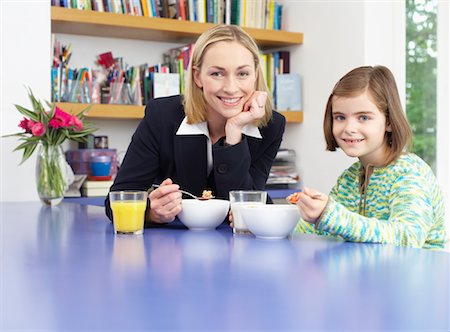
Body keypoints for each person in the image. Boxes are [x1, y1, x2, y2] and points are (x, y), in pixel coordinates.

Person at [105, 24, 286, 224]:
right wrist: (151, 213)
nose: (231, 88)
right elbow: (117, 202)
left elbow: (248, 206)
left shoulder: (271, 126)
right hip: (171, 248)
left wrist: (234, 132)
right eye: (217, 73)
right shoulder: (162, 116)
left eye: (242, 73)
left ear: (255, 75)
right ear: (197, 76)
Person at [293, 65, 447, 249]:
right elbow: (311, 233)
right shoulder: (348, 180)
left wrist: (330, 215)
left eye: (363, 117)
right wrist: (311, 217)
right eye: (340, 117)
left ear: (389, 122)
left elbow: (408, 238)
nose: (349, 128)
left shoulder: (409, 173)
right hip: (369, 274)